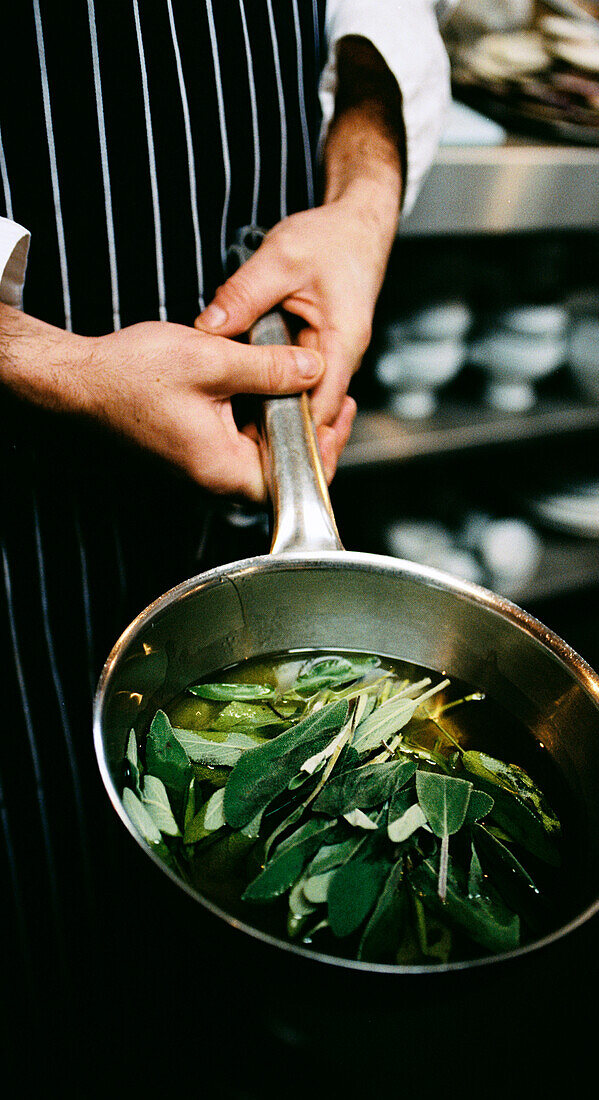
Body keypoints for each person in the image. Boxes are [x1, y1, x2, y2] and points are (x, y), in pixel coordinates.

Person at [0, 2, 452, 1093]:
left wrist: (363, 194)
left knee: (241, 936)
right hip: (19, 536)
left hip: (256, 455)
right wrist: (41, 360)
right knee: (50, 952)